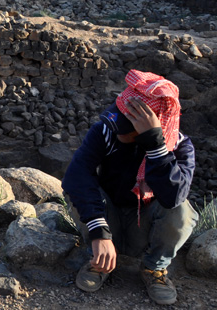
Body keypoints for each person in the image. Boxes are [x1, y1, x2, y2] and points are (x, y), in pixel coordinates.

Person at [62, 69, 198, 305]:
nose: (119, 129)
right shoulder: (106, 130)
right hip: (109, 217)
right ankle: (100, 260)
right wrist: (99, 233)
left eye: (129, 127)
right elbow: (77, 176)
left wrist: (156, 146)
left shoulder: (179, 146)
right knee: (77, 187)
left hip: (144, 229)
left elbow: (173, 197)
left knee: (182, 210)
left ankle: (154, 268)